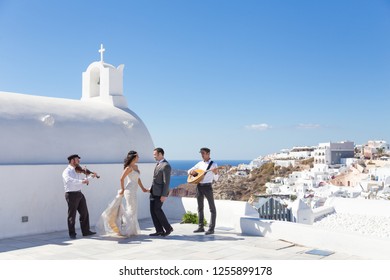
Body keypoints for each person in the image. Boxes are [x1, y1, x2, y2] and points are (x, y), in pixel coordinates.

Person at [96, 150, 148, 237]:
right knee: (131, 209)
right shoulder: (128, 168)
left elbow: (137, 179)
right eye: (137, 156)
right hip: (129, 191)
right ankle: (127, 230)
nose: (139, 158)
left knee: (133, 209)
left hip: (134, 190)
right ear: (134, 157)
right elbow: (121, 178)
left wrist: (143, 188)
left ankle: (131, 230)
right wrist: (123, 189)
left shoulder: (136, 166)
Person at [62, 154, 97, 239]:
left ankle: (86, 231)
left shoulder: (77, 170)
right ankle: (72, 233)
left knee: (84, 212)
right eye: (77, 160)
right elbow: (69, 180)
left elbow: (83, 180)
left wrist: (91, 176)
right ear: (72, 160)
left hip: (79, 193)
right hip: (71, 194)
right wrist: (81, 181)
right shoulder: (67, 171)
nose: (79, 161)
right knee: (72, 215)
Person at [188, 147, 219, 235]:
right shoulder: (199, 163)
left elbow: (216, 179)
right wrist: (192, 172)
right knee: (200, 207)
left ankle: (211, 228)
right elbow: (189, 170)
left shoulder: (214, 164)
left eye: (203, 153)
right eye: (201, 153)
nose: (202, 155)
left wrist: (215, 172)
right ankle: (200, 227)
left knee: (212, 208)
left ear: (208, 154)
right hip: (199, 186)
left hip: (207, 187)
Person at [149, 147, 173, 237]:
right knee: (152, 211)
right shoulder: (158, 164)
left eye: (155, 155)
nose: (154, 156)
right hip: (153, 192)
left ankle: (168, 228)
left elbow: (166, 182)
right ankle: (159, 230)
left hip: (160, 194)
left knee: (157, 210)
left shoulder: (166, 165)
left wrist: (164, 195)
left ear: (160, 154)